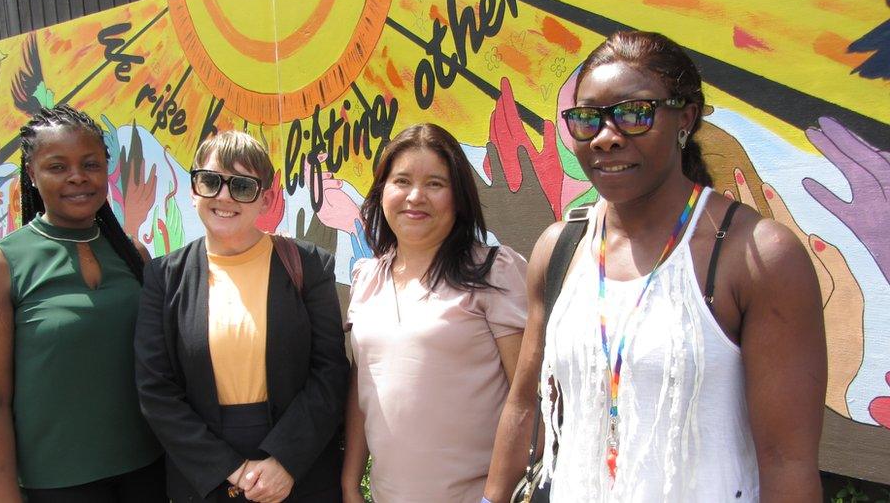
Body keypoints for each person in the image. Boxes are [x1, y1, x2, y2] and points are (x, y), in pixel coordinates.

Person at [483, 30, 827, 502]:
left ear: (685, 118)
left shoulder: (754, 256)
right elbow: (525, 408)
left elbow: (788, 462)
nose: (606, 137)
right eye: (588, 119)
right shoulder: (560, 248)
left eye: (633, 114)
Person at [0, 105, 164, 502]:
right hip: (58, 485)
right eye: (57, 166)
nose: (77, 177)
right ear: (32, 174)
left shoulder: (133, 255)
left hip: (148, 472)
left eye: (91, 164)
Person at [134, 130, 348, 502]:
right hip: (205, 474)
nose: (224, 196)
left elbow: (329, 372)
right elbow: (156, 389)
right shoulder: (164, 278)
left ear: (265, 200)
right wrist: (229, 469)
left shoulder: (309, 265)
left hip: (299, 469)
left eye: (242, 187)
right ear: (193, 190)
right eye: (211, 181)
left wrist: (284, 461)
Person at [342, 123, 529, 503]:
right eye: (402, 181)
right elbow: (365, 389)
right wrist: (350, 484)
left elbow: (529, 399)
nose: (415, 196)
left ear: (458, 197)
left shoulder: (495, 271)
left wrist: (495, 497)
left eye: (435, 184)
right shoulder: (366, 278)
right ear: (381, 193)